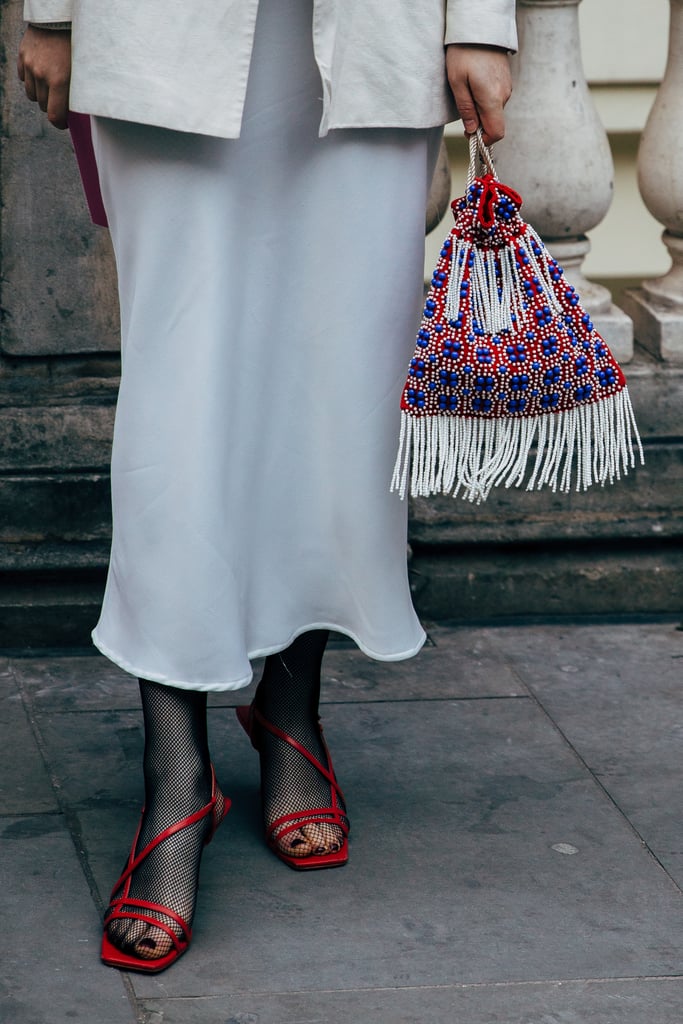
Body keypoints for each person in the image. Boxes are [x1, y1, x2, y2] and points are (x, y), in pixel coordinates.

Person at [18, 0, 515, 974]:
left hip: (377, 28)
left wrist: (483, 19)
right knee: (176, 397)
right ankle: (175, 778)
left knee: (335, 383)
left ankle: (288, 709)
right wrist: (49, 9)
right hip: (156, 25)